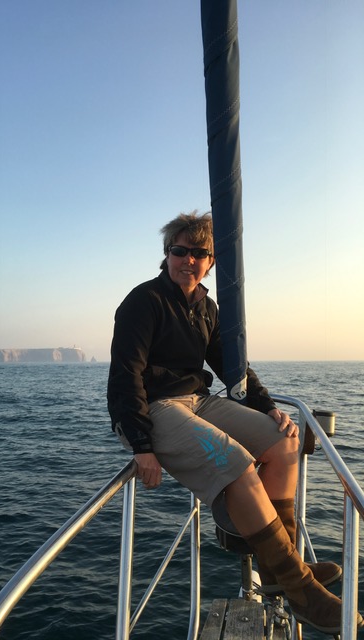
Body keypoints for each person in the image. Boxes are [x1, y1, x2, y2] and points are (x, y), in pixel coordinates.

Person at [107, 211, 362, 635]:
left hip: (197, 400)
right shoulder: (144, 301)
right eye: (179, 251)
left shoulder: (206, 308)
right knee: (237, 463)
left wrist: (267, 407)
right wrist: (141, 444)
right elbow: (124, 375)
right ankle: (301, 591)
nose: (188, 260)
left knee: (283, 442)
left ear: (211, 261)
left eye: (199, 253)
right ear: (166, 255)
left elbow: (232, 365)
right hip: (155, 407)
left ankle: (281, 570)